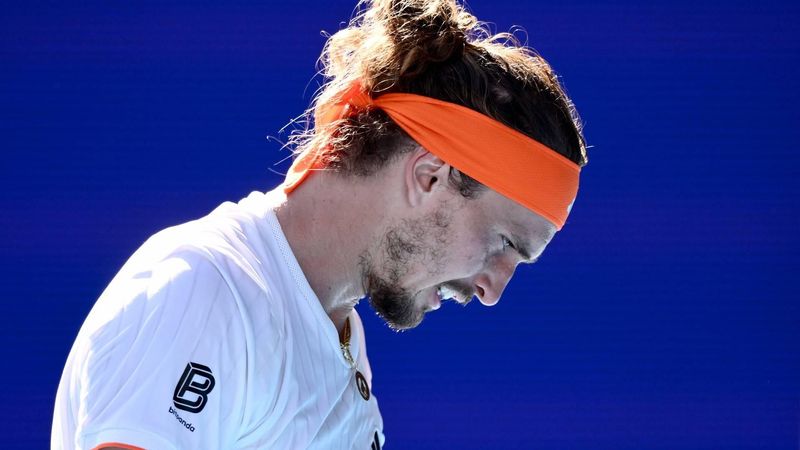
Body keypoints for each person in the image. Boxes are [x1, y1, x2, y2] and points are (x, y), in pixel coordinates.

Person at [52, 0, 588, 448]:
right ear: (429, 176)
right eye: (503, 243)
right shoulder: (207, 289)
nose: (493, 288)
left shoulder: (332, 339)